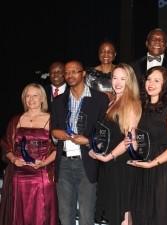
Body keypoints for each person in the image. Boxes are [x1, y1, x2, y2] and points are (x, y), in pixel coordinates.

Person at [50, 60, 109, 225]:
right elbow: (53, 130)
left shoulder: (99, 99)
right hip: (63, 163)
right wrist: (55, 134)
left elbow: (104, 132)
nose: (69, 75)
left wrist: (88, 140)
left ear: (84, 74)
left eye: (74, 71)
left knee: (85, 216)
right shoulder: (59, 101)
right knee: (65, 216)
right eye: (67, 72)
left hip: (87, 162)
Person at [127, 66, 167, 225]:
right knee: (142, 214)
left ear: (165, 84)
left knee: (160, 216)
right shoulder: (142, 106)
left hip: (162, 169)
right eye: (149, 79)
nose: (150, 83)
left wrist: (153, 163)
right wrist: (132, 144)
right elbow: (138, 138)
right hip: (143, 166)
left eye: (156, 80)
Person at [88, 63, 142, 225]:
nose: (118, 82)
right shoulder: (111, 102)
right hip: (110, 165)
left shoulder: (130, 103)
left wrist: (108, 156)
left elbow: (130, 140)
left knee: (122, 213)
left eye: (123, 79)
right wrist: (95, 148)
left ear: (130, 81)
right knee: (113, 213)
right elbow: (108, 133)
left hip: (121, 165)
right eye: (115, 77)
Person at [0, 83, 58, 225]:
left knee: (42, 214)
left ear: (42, 98)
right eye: (28, 96)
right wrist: (13, 159)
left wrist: (44, 162)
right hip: (18, 175)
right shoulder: (16, 120)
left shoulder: (52, 119)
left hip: (43, 174)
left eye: (35, 95)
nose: (31, 99)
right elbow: (5, 144)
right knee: (18, 214)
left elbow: (58, 148)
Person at [130, 28, 167, 102]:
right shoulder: (134, 66)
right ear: (147, 43)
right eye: (153, 39)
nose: (157, 42)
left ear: (166, 45)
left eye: (161, 40)